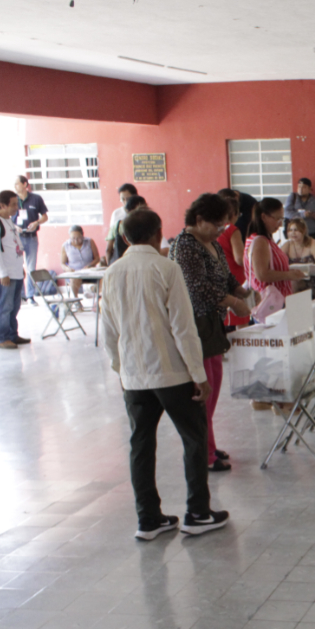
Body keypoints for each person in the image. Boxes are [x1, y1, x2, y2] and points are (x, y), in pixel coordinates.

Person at [100, 208, 229, 540]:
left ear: (125, 237)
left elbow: (108, 330)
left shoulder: (111, 273)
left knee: (140, 445)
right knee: (194, 438)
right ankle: (197, 512)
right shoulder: (166, 268)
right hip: (172, 373)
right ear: (159, 234)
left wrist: (120, 369)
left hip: (134, 376)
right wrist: (198, 373)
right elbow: (183, 328)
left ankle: (148, 519)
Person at [170, 193, 251, 472]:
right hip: (196, 323)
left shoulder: (211, 242)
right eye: (217, 225)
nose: (221, 231)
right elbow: (197, 287)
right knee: (203, 389)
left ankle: (209, 443)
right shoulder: (185, 246)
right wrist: (233, 302)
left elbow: (225, 275)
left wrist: (242, 290)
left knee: (214, 384)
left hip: (212, 322)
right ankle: (203, 454)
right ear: (199, 219)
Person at [0, 190, 29, 349]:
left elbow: (13, 246)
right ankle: (3, 338)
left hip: (15, 272)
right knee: (5, 306)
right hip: (4, 274)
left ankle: (12, 334)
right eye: (13, 205)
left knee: (15, 306)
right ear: (2, 205)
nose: (16, 208)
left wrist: (20, 267)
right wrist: (3, 273)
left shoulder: (8, 221)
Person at [244, 197, 300, 315]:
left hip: (278, 301)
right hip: (271, 304)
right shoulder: (260, 241)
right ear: (264, 217)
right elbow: (262, 274)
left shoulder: (267, 240)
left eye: (282, 219)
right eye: (277, 219)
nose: (280, 224)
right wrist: (289, 274)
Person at [13, 175, 49, 301]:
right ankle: (20, 295)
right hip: (16, 237)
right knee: (17, 266)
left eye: (17, 183)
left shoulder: (36, 199)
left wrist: (36, 222)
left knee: (31, 267)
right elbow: (5, 217)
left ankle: (30, 295)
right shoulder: (13, 199)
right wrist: (14, 226)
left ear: (24, 184)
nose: (15, 186)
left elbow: (45, 217)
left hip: (31, 237)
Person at [60, 225, 101, 298]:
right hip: (75, 273)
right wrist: (68, 269)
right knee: (74, 280)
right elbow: (63, 263)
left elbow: (97, 258)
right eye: (73, 238)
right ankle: (77, 302)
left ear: (82, 235)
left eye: (78, 238)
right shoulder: (65, 246)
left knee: (103, 278)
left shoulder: (90, 241)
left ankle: (98, 299)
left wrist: (90, 265)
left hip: (90, 272)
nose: (75, 241)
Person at [284, 177, 315, 250]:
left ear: (310, 189)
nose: (301, 189)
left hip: (311, 234)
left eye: (304, 187)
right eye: (299, 186)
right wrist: (302, 215)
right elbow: (286, 213)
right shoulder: (293, 198)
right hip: (296, 235)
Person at [110, 195, 150, 263]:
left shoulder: (117, 225)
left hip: (119, 262)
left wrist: (109, 265)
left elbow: (108, 249)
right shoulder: (147, 226)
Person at [106, 182, 138, 250]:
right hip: (120, 250)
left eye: (128, 199)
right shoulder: (116, 213)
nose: (125, 202)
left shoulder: (141, 213)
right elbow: (111, 236)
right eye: (122, 199)